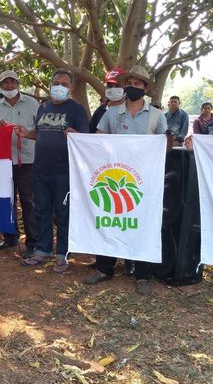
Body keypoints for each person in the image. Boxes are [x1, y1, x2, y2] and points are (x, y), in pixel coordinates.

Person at [85, 65, 167, 295]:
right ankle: (104, 268)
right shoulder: (110, 114)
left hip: (144, 182)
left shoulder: (156, 115)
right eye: (129, 83)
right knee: (111, 218)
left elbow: (165, 144)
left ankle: (142, 274)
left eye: (137, 84)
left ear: (146, 88)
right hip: (116, 177)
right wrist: (78, 140)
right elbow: (99, 142)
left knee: (142, 223)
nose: (132, 87)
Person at [15, 69, 90, 273]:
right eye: (56, 82)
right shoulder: (43, 107)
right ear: (50, 84)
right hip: (40, 170)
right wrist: (25, 133)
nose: (59, 87)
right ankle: (42, 250)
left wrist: (76, 135)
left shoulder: (76, 110)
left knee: (63, 214)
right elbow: (39, 133)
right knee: (41, 211)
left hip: (64, 171)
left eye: (64, 84)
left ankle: (63, 254)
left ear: (71, 88)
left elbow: (87, 140)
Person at [0, 70, 40, 256]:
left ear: (18, 83)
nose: (9, 86)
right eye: (5, 83)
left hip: (27, 160)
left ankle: (33, 242)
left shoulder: (32, 103)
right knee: (7, 200)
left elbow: (41, 131)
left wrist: (26, 132)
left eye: (12, 82)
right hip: (3, 162)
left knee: (29, 201)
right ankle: (10, 237)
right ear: (0, 86)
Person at [88, 67, 126, 133]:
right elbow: (90, 135)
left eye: (117, 85)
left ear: (126, 86)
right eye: (110, 85)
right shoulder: (100, 111)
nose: (113, 88)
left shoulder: (131, 110)